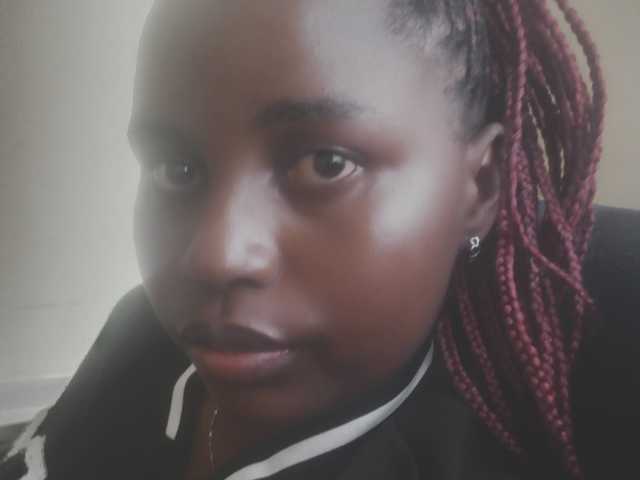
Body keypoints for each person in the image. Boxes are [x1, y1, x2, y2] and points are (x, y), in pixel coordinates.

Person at [2, 0, 639, 479]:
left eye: (326, 164)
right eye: (177, 168)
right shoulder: (142, 329)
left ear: (480, 186)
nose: (214, 256)